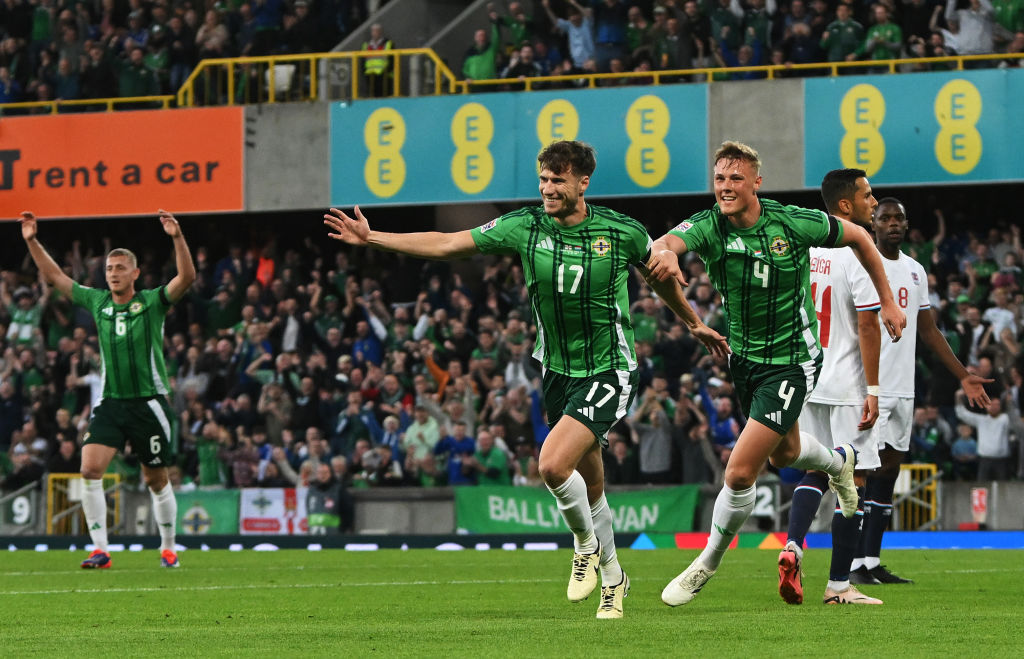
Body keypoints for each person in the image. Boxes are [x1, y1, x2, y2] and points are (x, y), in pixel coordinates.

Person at [324, 139, 727, 619]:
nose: (548, 188)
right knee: (591, 486)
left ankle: (583, 546)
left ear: (583, 182)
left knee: (554, 466)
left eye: (558, 180)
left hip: (610, 368)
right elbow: (449, 243)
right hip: (557, 371)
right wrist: (372, 238)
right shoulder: (524, 226)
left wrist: (692, 321)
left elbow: (660, 273)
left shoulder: (622, 232)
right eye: (544, 178)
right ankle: (614, 578)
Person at [645, 141, 906, 608]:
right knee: (785, 455)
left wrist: (887, 299)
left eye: (736, 179)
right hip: (745, 361)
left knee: (740, 471)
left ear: (756, 183)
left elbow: (862, 238)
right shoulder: (709, 225)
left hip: (793, 360)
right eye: (720, 178)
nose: (725, 187)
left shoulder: (791, 221)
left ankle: (705, 563)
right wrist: (667, 260)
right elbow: (667, 245)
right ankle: (838, 461)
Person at [20, 209, 196, 569]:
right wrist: (32, 241)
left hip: (149, 404)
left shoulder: (151, 302)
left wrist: (177, 237)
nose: (113, 274)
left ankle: (168, 547)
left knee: (156, 479)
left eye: (119, 269)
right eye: (109, 270)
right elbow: (54, 276)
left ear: (135, 273)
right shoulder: (97, 302)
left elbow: (187, 277)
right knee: (89, 469)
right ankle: (101, 549)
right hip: (112, 403)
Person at [849, 198, 991, 585]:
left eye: (899, 219)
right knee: (862, 471)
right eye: (885, 218)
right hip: (867, 386)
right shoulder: (858, 262)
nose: (893, 224)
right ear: (873, 224)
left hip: (903, 386)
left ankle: (870, 561)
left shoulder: (914, 270)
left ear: (906, 225)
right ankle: (850, 563)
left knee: (890, 470)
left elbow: (928, 330)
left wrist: (963, 374)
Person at [775, 168, 885, 607]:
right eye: (867, 194)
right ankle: (839, 584)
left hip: (808, 376)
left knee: (815, 470)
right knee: (852, 476)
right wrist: (874, 388)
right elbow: (867, 319)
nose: (874, 202)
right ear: (846, 205)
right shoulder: (856, 249)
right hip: (845, 382)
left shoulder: (807, 248)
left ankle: (794, 546)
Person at [361, 23, 393, 98]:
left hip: (384, 76)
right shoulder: (366, 45)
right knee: (372, 98)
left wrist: (387, 71)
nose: (374, 33)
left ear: (380, 32)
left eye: (376, 31)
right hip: (370, 75)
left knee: (384, 97)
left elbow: (392, 60)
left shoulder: (388, 44)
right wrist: (364, 72)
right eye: (373, 31)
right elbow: (362, 61)